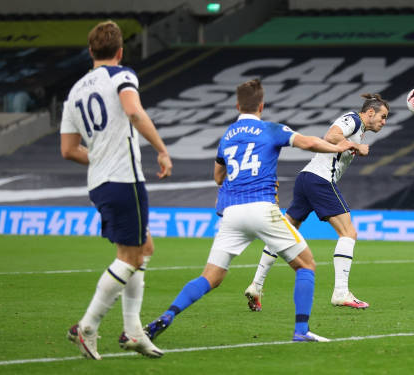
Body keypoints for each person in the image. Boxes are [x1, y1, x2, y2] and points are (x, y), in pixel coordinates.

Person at [144, 79, 356, 343]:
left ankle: (167, 315)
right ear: (261, 106)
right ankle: (301, 330)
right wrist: (338, 147)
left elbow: (218, 176)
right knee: (306, 265)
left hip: (231, 213)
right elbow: (308, 143)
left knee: (210, 277)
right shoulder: (270, 129)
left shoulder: (228, 136)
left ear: (237, 105)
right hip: (262, 207)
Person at [60, 20, 173, 360]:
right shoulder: (121, 75)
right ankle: (88, 326)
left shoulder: (75, 92)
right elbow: (134, 112)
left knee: (143, 247)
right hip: (124, 179)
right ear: (120, 52)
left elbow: (67, 149)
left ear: (91, 52)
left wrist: (98, 159)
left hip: (100, 181)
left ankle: (134, 331)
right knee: (132, 257)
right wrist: (161, 149)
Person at [244, 94, 389, 312]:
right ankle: (341, 292)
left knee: (283, 233)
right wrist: (354, 146)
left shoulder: (358, 128)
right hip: (319, 179)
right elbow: (331, 136)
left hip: (306, 178)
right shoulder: (354, 119)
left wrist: (351, 145)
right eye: (383, 116)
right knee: (348, 233)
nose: (384, 122)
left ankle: (256, 285)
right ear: (370, 112)